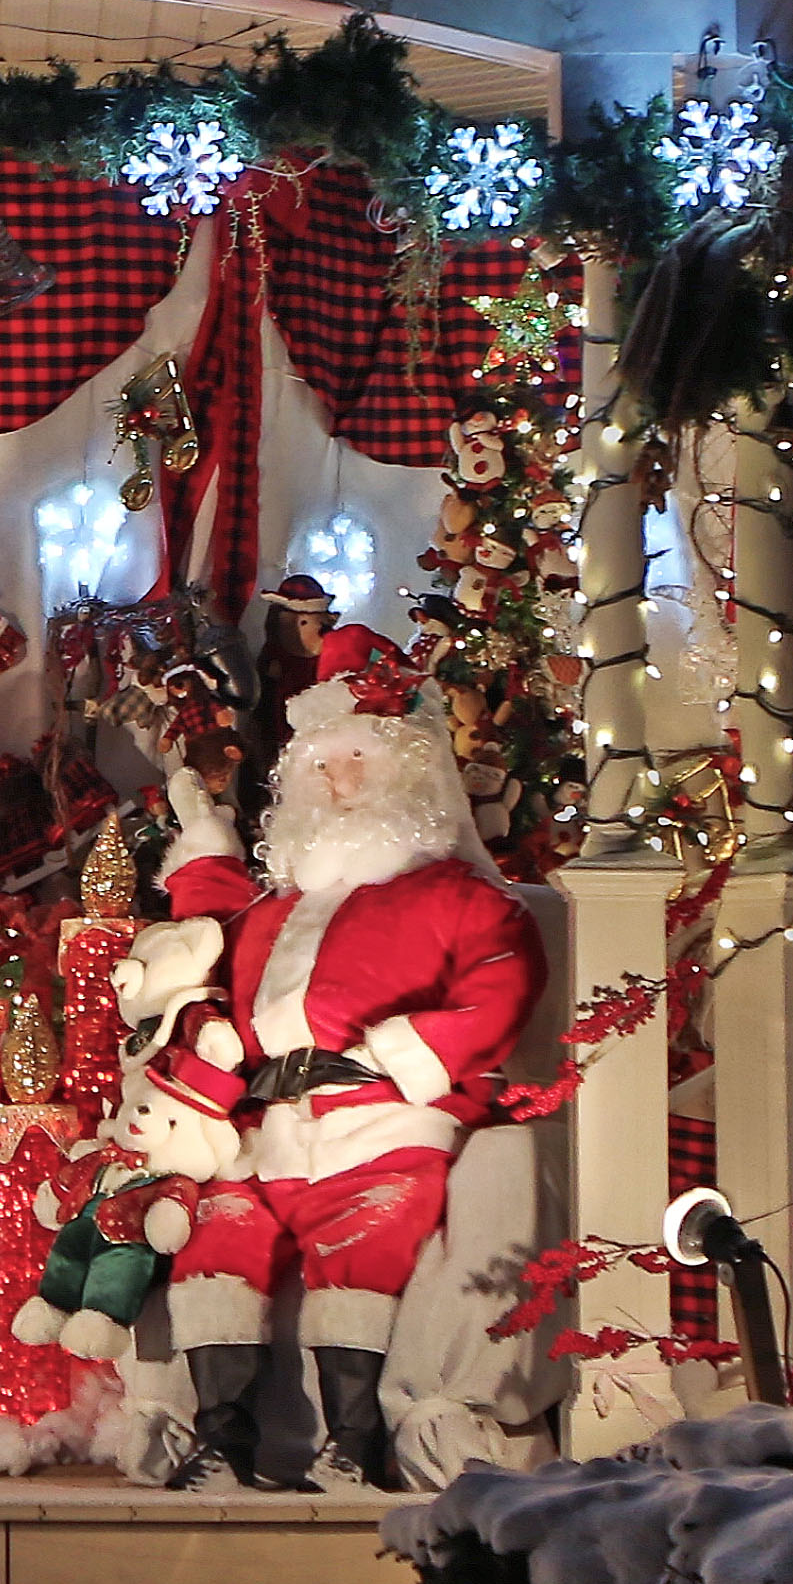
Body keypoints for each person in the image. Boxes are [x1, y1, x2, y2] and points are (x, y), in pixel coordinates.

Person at [138, 634, 545, 1492]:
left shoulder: (460, 897)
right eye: (320, 764)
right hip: (264, 1130)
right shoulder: (270, 911)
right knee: (218, 1237)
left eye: (355, 759)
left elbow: (500, 987)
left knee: (361, 1240)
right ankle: (223, 1440)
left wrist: (394, 1056)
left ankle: (353, 1443)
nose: (336, 780)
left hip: (383, 1121)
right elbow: (211, 990)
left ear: (406, 772)